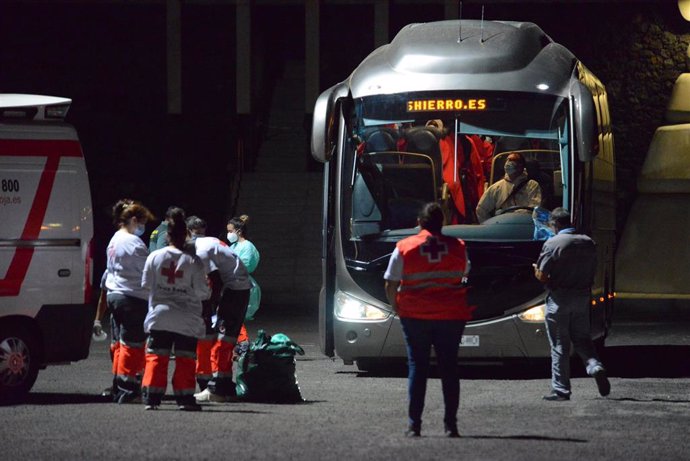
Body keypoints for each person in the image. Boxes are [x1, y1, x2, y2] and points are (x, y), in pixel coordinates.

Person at [383, 202, 473, 437]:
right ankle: (450, 426)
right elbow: (464, 275)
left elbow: (390, 283)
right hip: (451, 315)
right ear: (441, 223)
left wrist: (398, 307)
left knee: (417, 367)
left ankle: (414, 425)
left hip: (415, 316)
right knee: (449, 368)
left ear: (420, 223)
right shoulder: (458, 246)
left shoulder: (404, 247)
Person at [533, 207, 611, 401]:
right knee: (583, 339)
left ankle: (561, 390)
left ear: (556, 224)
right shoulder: (588, 242)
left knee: (560, 344)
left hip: (559, 299)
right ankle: (595, 366)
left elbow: (542, 275)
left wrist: (535, 269)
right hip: (582, 298)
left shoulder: (553, 243)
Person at [141, 207, 209, 411]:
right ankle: (185, 399)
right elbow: (203, 292)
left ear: (168, 235)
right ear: (185, 234)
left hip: (159, 315)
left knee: (156, 356)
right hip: (186, 317)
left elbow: (145, 284)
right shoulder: (193, 261)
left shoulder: (155, 257)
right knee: (185, 359)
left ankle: (152, 399)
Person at [191, 220, 252, 403]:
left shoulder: (199, 249)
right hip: (240, 289)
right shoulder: (208, 242)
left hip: (234, 291)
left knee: (220, 341)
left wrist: (211, 306)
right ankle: (226, 387)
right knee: (227, 341)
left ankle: (215, 389)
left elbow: (214, 279)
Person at [104, 199, 154, 403]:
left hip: (114, 294)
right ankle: (128, 390)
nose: (142, 227)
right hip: (132, 296)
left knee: (120, 344)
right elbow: (148, 271)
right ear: (134, 220)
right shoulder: (133, 242)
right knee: (132, 345)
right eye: (141, 222)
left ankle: (118, 386)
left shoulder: (115, 238)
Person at [475, 151, 542, 223]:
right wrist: (489, 225)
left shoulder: (532, 185)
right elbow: (481, 209)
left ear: (521, 166)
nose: (508, 163)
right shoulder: (497, 187)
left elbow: (535, 207)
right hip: (502, 227)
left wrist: (515, 216)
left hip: (524, 225)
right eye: (507, 160)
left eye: (512, 160)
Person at [226, 215, 261, 321]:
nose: (228, 234)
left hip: (242, 284)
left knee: (238, 319)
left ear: (239, 231)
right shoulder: (233, 246)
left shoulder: (248, 247)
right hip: (233, 283)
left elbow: (245, 265)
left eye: (230, 231)